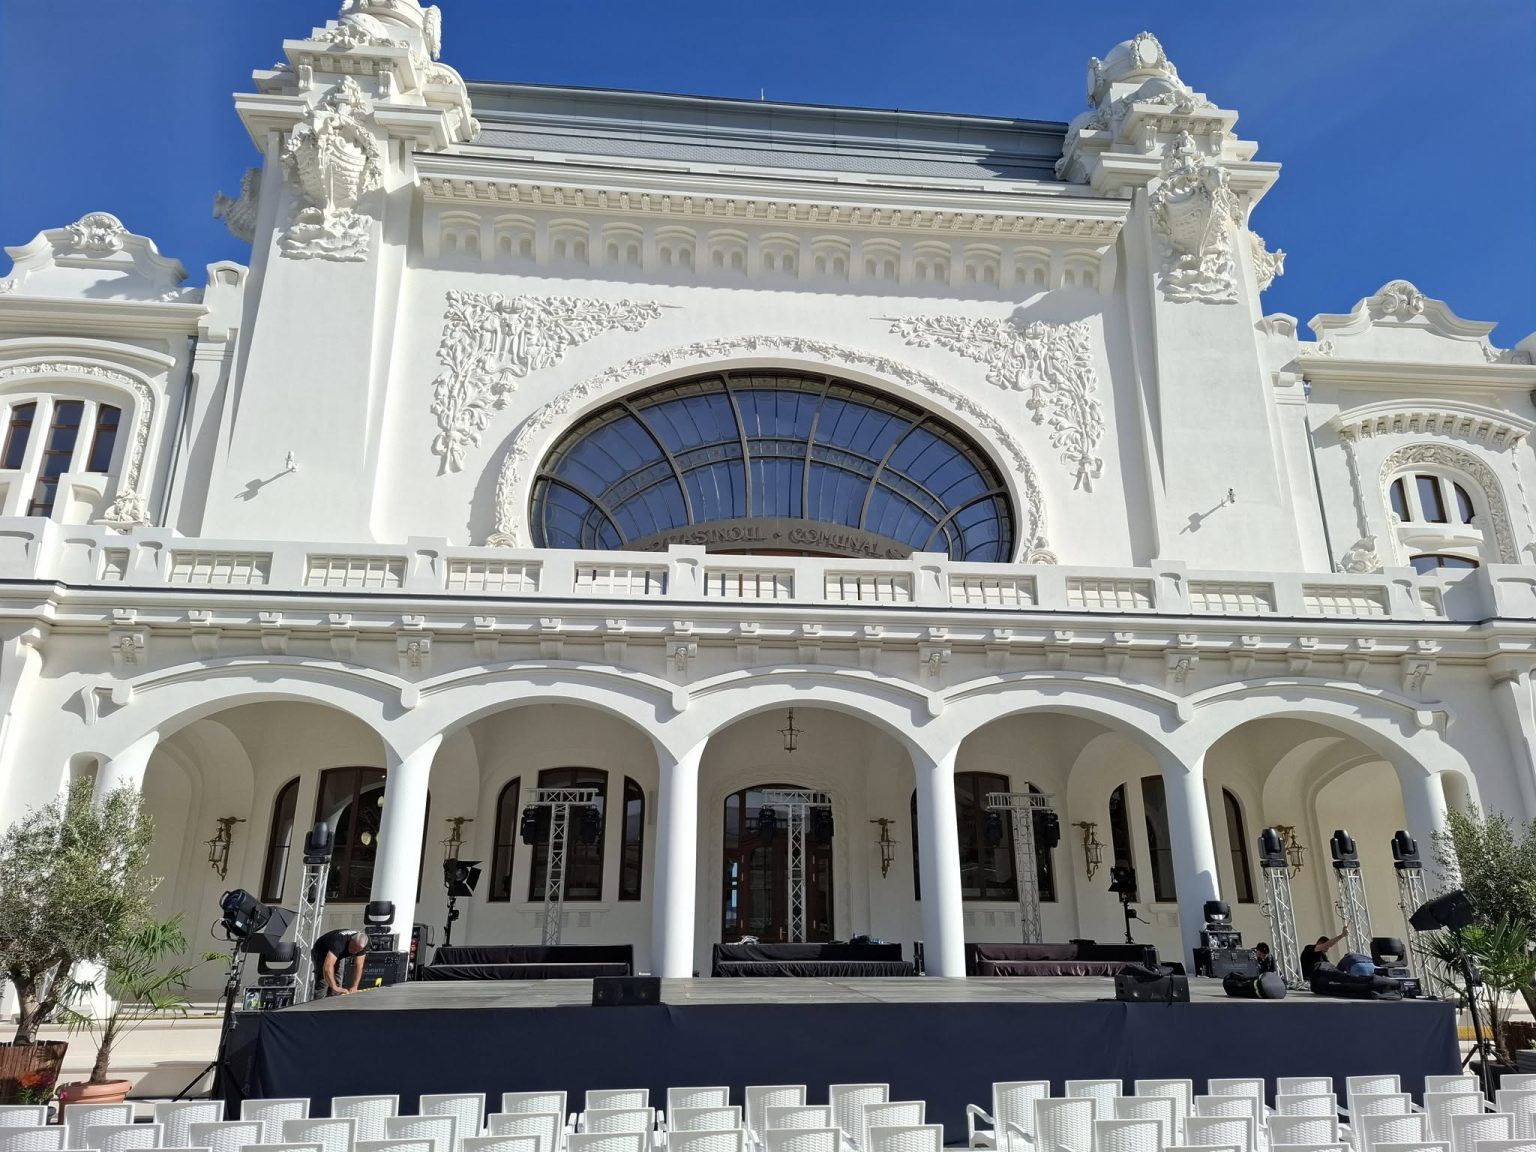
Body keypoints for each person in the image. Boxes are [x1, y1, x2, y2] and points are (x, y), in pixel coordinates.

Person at [311, 927, 368, 996]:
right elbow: (327, 967)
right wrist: (334, 987)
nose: (355, 951)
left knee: (337, 979)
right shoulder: (339, 941)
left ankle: (334, 1001)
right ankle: (319, 1003)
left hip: (339, 953)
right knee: (323, 981)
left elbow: (359, 965)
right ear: (351, 940)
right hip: (321, 951)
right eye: (353, 947)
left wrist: (355, 986)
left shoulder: (363, 943)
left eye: (358, 950)